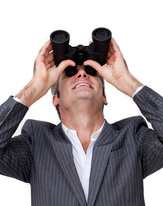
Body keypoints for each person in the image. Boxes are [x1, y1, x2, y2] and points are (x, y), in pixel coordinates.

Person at [0, 37, 163, 206]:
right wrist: (34, 87)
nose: (82, 73)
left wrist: (127, 81)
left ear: (104, 97)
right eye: (69, 72)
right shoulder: (36, 143)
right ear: (56, 98)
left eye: (91, 72)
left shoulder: (133, 137)